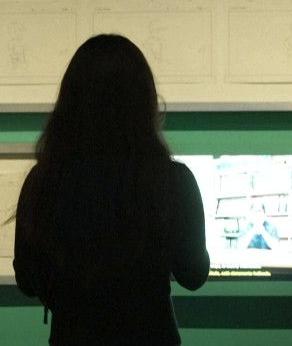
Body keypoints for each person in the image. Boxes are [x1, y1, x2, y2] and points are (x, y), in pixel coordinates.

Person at [11, 34, 210, 345]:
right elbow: (194, 275)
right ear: (145, 102)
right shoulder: (174, 180)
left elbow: (27, 280)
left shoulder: (45, 180)